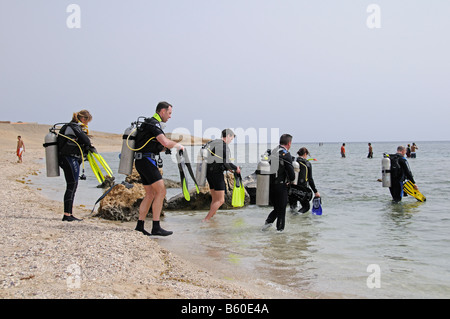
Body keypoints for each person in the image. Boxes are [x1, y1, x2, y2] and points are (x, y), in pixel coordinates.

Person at [134, 101, 183, 236]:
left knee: (150, 194)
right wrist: (179, 146)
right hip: (146, 161)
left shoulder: (148, 124)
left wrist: (163, 149)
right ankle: (156, 227)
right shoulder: (153, 124)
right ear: (162, 111)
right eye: (169, 113)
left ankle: (140, 226)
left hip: (140, 161)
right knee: (161, 192)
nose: (170, 116)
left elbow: (152, 145)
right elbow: (165, 142)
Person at [58, 110, 93, 221]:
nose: (87, 124)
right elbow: (86, 140)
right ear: (84, 119)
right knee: (72, 185)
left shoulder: (72, 127)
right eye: (88, 121)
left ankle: (69, 213)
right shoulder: (74, 127)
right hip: (69, 158)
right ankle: (67, 215)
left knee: (73, 185)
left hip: (69, 158)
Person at [203, 129, 240, 222]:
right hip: (216, 174)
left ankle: (212, 218)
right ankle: (206, 219)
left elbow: (217, 160)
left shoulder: (214, 143)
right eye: (231, 138)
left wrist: (228, 168)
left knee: (215, 199)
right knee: (220, 200)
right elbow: (227, 162)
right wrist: (236, 168)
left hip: (208, 173)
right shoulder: (224, 146)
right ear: (228, 136)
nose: (231, 141)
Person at [262, 134, 296, 232]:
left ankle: (266, 226)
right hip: (281, 186)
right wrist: (290, 181)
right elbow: (292, 175)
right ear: (289, 143)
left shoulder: (273, 151)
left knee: (277, 209)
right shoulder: (286, 154)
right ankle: (280, 234)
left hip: (270, 185)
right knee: (281, 211)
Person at [289, 147, 320, 214]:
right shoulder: (307, 164)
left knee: (292, 208)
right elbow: (310, 179)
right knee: (306, 207)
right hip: (302, 189)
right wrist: (316, 192)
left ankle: (291, 221)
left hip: (291, 188)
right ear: (305, 154)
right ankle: (297, 216)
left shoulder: (294, 161)